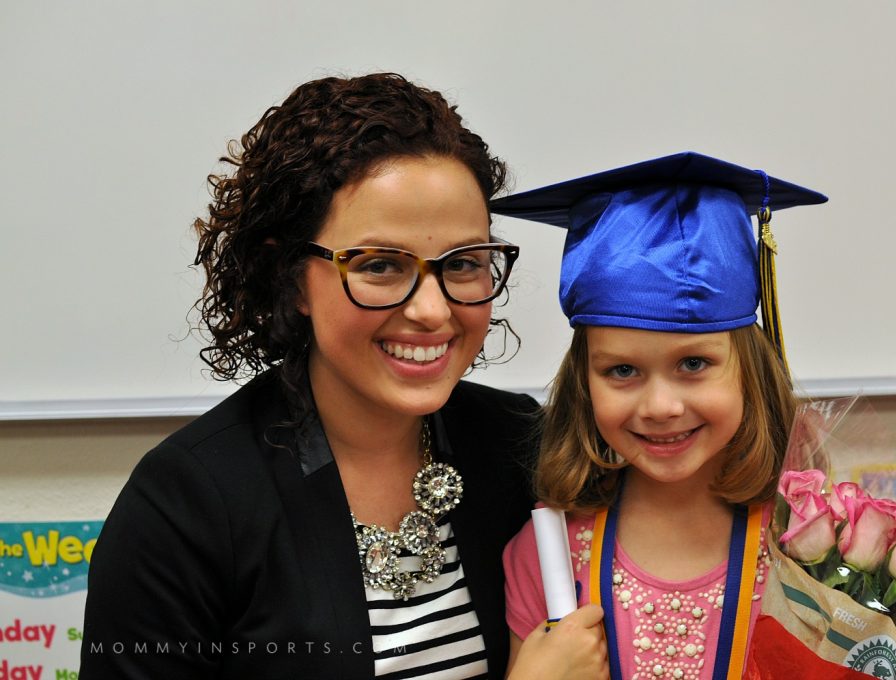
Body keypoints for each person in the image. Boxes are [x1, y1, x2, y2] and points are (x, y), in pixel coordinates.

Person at [80, 72, 604, 680]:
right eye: (380, 265)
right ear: (291, 276)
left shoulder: (520, 446)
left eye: (463, 263)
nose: (432, 310)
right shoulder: (186, 506)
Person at [493, 152, 828, 679]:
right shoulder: (548, 554)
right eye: (622, 371)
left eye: (693, 363)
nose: (660, 407)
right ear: (584, 384)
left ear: (750, 369)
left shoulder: (814, 544)